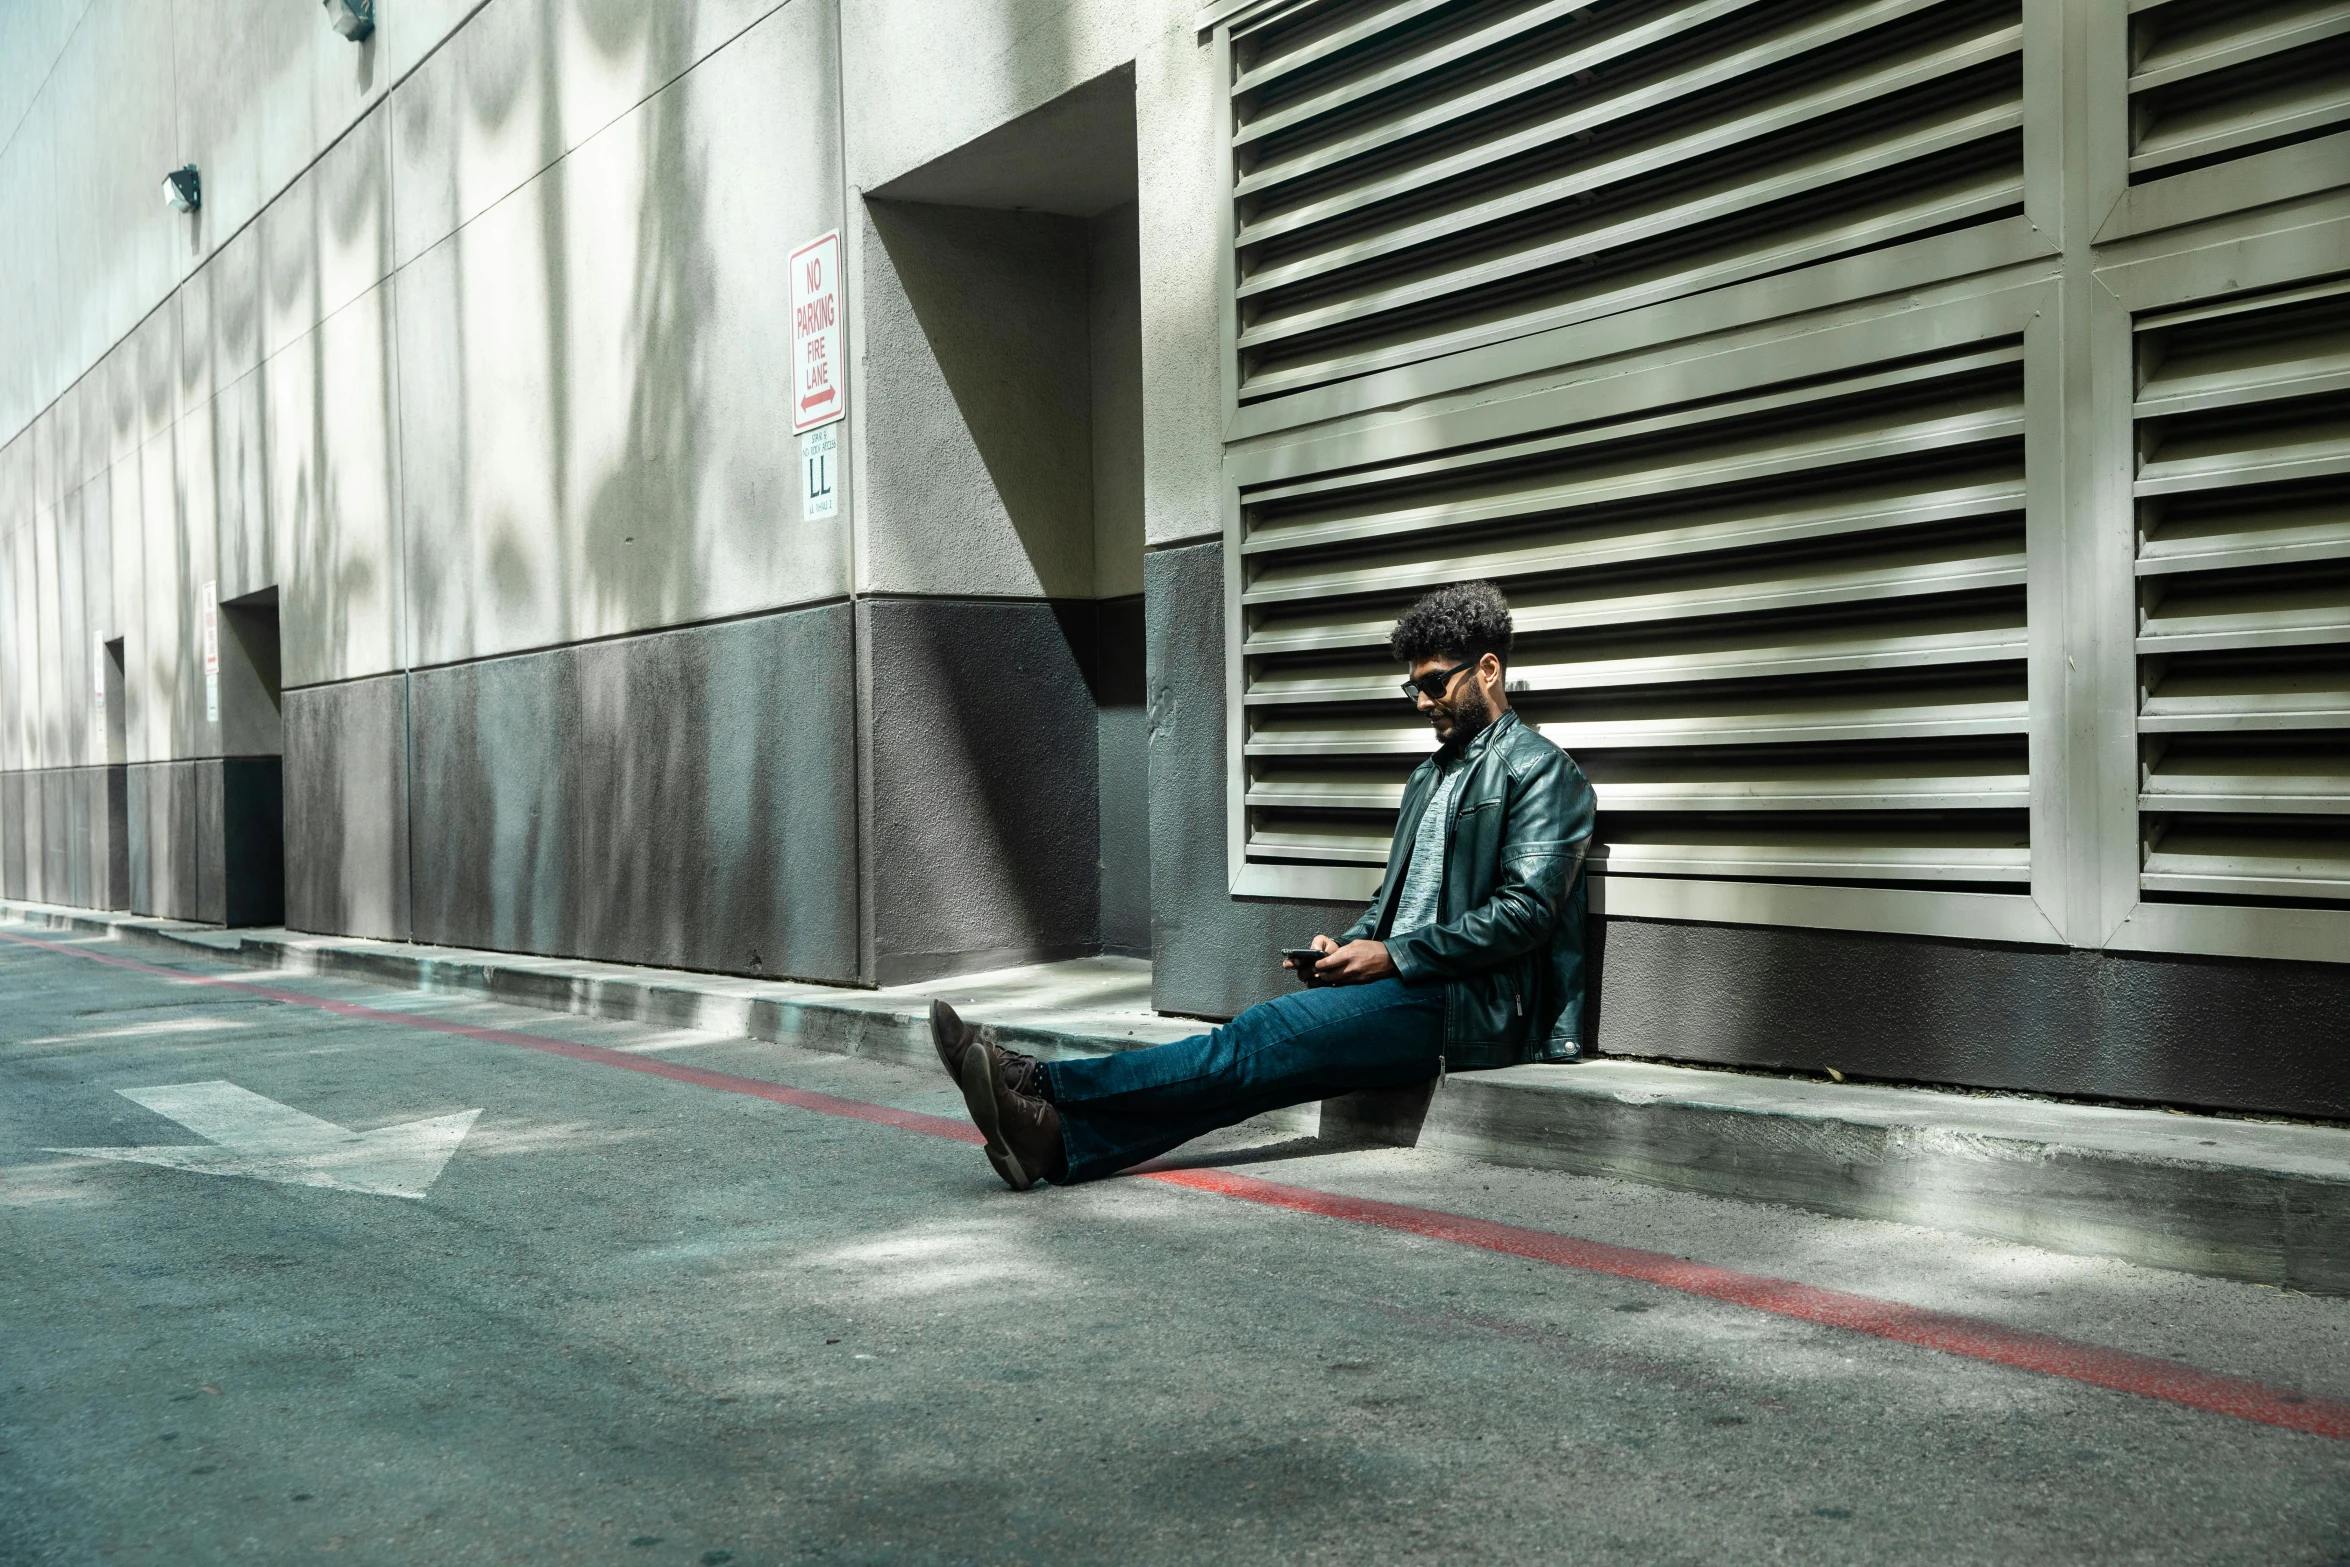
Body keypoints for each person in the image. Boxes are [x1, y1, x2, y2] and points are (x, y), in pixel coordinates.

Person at [930, 581, 1595, 1191]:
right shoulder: (1432, 775)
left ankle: (1035, 1078)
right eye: (1412, 687)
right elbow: (1397, 902)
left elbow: (1525, 913)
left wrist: (1392, 955)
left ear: (1488, 669)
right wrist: (1353, 943)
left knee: (1254, 1040)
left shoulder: (1541, 772)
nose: (1422, 701)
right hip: (1405, 985)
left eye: (1435, 683)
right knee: (1252, 1073)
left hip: (1462, 1005)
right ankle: (1052, 1140)